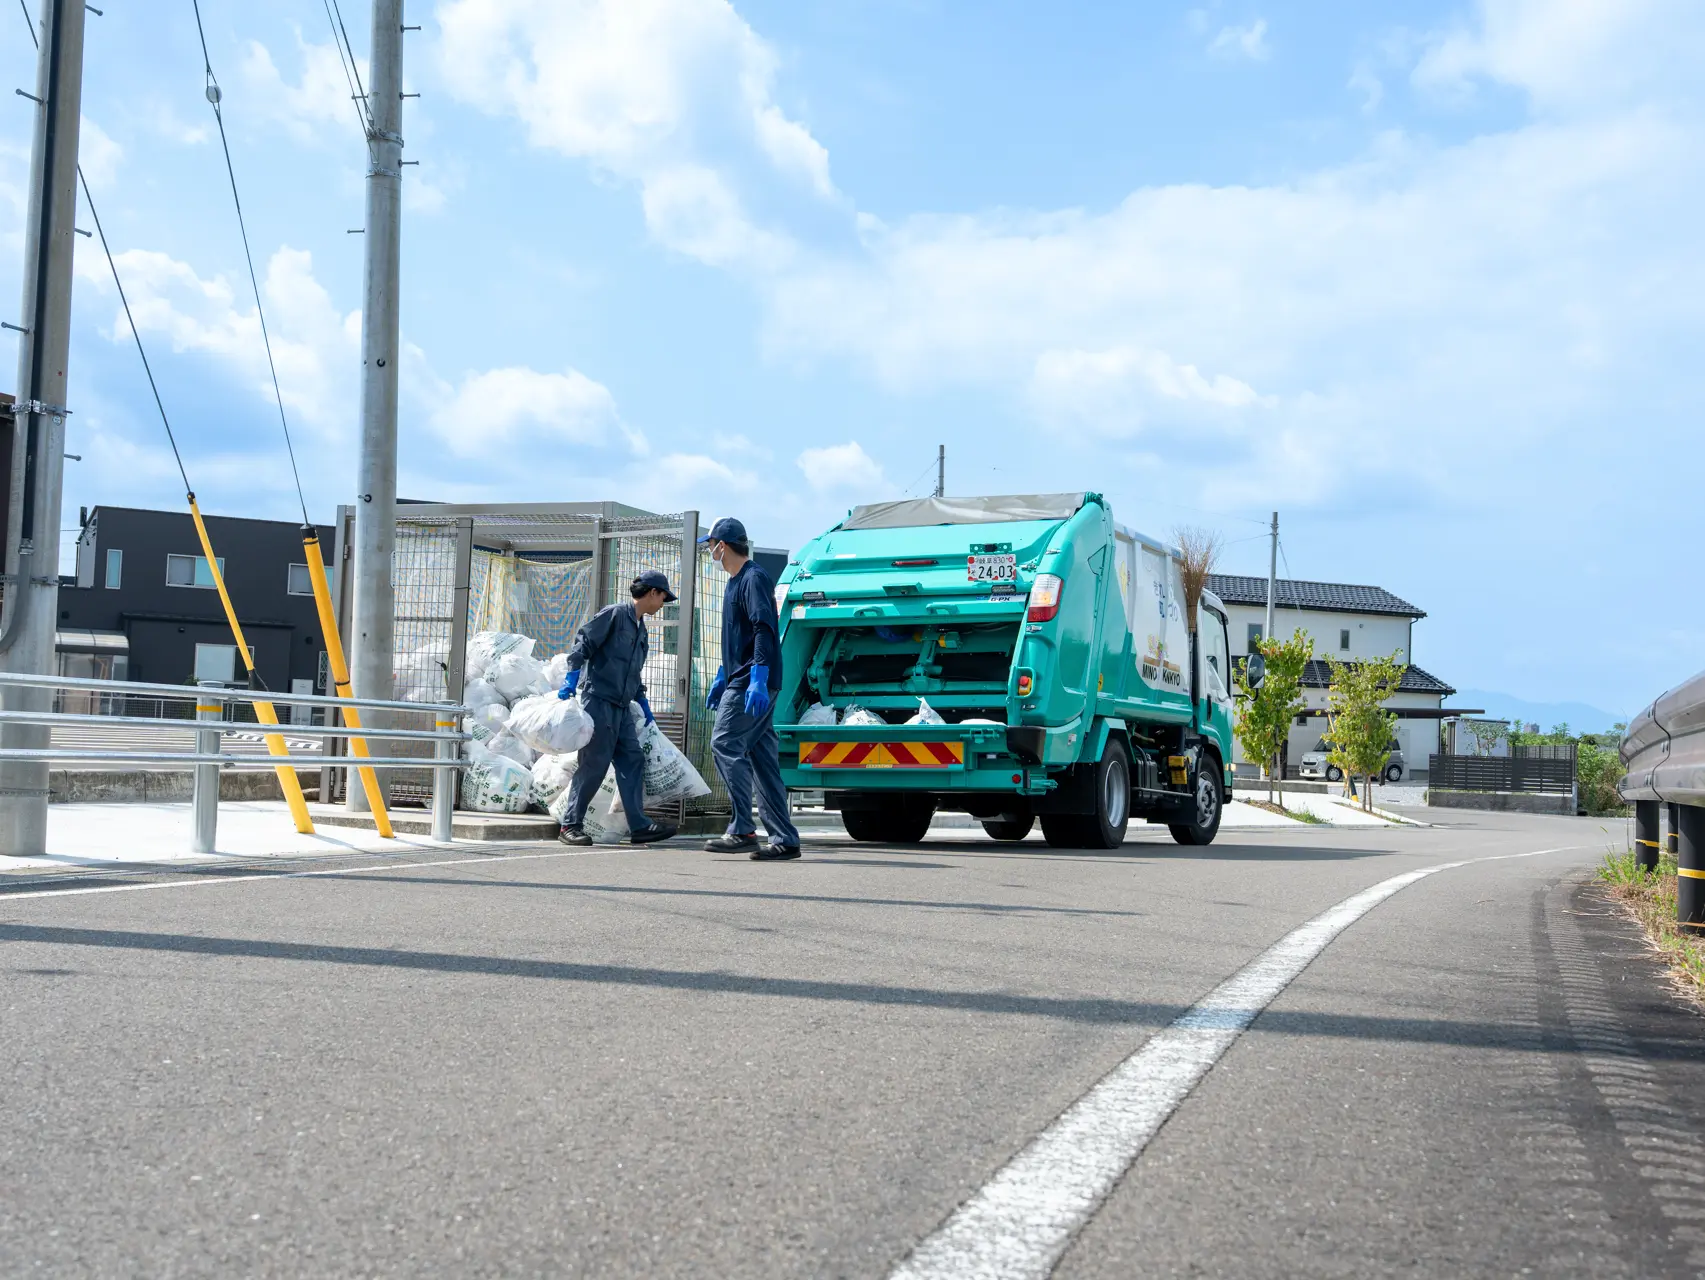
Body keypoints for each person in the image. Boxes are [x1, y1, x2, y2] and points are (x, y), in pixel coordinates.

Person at [700, 517, 800, 861]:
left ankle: (743, 828)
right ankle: (785, 838)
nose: (708, 551)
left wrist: (757, 676)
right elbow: (738, 637)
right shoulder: (735, 582)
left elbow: (763, 629)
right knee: (761, 760)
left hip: (751, 681)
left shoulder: (753, 578)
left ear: (722, 545)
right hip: (741, 677)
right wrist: (721, 675)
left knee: (725, 743)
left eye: (709, 544)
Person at [556, 570, 679, 848]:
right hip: (598, 701)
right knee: (594, 764)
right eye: (663, 597)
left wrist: (643, 702)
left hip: (622, 708)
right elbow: (583, 642)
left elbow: (632, 671)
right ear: (652, 593)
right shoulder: (615, 614)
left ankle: (639, 826)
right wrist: (571, 677)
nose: (663, 603)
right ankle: (570, 825)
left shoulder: (641, 629)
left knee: (632, 759)